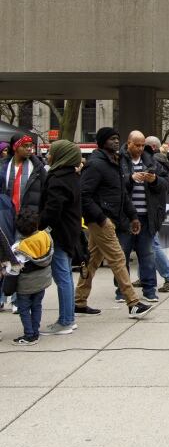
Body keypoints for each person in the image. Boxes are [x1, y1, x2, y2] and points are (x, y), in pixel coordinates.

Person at [76, 127, 152, 318]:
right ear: (102, 142)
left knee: (92, 260)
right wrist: (102, 219)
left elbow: (123, 194)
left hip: (111, 219)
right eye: (111, 139)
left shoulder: (115, 162)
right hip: (101, 221)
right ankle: (133, 302)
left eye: (117, 138)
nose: (116, 142)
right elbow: (84, 195)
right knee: (118, 259)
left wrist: (133, 216)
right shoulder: (95, 164)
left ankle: (79, 301)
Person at [118, 131, 169, 303]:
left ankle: (150, 290)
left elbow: (165, 183)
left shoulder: (152, 160)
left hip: (147, 217)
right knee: (122, 255)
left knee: (147, 255)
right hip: (125, 218)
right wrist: (131, 179)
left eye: (142, 145)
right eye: (137, 145)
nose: (140, 148)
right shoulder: (120, 160)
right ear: (129, 143)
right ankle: (122, 291)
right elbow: (115, 185)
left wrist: (154, 180)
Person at [38, 140, 82, 335]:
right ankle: (68, 318)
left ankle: (66, 320)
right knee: (66, 277)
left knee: (62, 276)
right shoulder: (72, 176)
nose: (48, 155)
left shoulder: (57, 179)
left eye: (51, 152)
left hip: (58, 233)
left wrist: (40, 226)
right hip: (69, 231)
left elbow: (52, 210)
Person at [0, 134, 47, 313]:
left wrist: (38, 217)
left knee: (21, 258)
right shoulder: (4, 166)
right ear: (15, 147)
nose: (29, 149)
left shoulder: (37, 167)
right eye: (25, 146)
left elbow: (45, 192)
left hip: (27, 219)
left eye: (31, 146)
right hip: (6, 216)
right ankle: (2, 296)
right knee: (4, 256)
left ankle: (18, 299)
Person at [5, 208, 53, 346]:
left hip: (26, 285)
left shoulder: (19, 247)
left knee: (24, 309)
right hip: (42, 280)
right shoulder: (45, 236)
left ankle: (29, 335)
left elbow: (13, 269)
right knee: (37, 305)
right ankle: (35, 331)